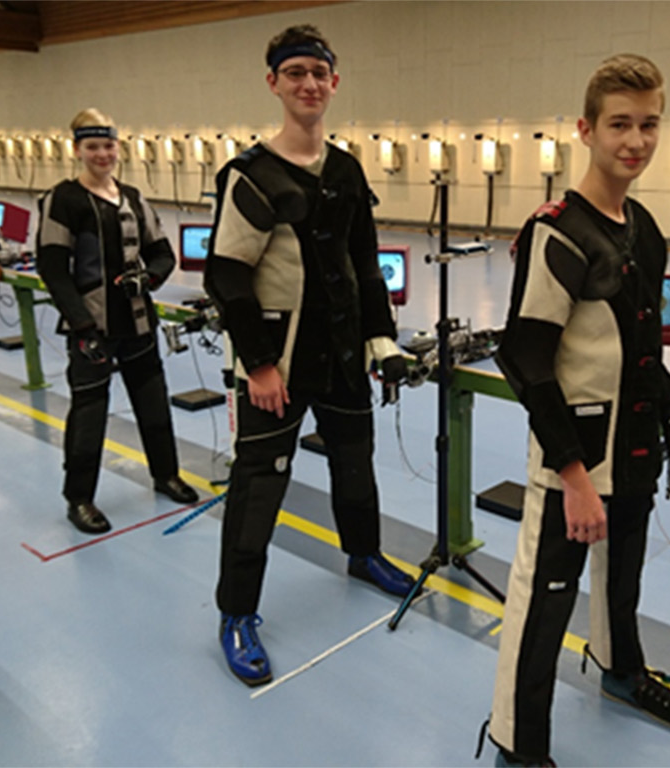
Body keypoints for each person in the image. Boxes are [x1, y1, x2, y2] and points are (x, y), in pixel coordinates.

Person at [485, 54, 670, 766]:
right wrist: (574, 474)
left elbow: (641, 346)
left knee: (623, 578)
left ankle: (622, 669)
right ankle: (518, 740)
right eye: (619, 124)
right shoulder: (557, 231)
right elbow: (524, 359)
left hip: (636, 444)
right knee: (544, 599)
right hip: (573, 456)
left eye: (649, 125)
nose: (635, 141)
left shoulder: (642, 227)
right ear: (586, 129)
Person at [203, 24, 416, 687]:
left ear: (334, 82)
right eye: (294, 73)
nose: (308, 84)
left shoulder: (347, 170)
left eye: (318, 73)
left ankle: (364, 553)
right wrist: (260, 364)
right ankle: (237, 613)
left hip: (344, 356)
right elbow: (227, 275)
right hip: (279, 363)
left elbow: (365, 264)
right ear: (273, 83)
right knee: (259, 482)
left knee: (356, 462)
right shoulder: (250, 176)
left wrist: (380, 340)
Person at [35, 108, 199, 535]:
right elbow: (53, 268)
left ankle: (165, 475)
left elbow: (162, 252)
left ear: (118, 147)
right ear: (77, 150)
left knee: (154, 405)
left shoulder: (133, 196)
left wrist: (151, 277)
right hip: (92, 330)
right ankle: (80, 498)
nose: (102, 153)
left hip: (139, 324)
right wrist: (82, 326)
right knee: (90, 413)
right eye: (92, 146)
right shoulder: (62, 199)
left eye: (108, 145)